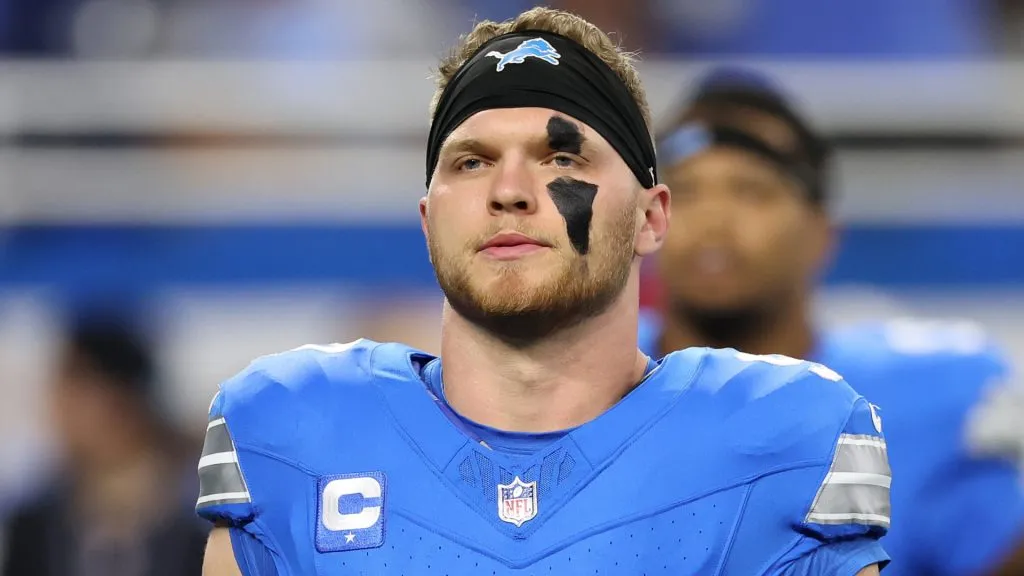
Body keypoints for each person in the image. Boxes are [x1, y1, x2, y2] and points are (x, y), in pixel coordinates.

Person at [197, 8, 889, 575]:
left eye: (562, 157)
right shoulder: (292, 435)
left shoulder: (780, 440)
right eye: (471, 162)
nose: (508, 192)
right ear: (429, 218)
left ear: (652, 218)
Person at [645, 66, 1024, 576]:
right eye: (687, 192)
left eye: (751, 191)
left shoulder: (927, 396)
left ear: (822, 235)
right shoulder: (583, 380)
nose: (714, 219)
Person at [1, 313, 207, 576]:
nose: (57, 411)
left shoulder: (198, 518)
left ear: (121, 398)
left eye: (74, 393)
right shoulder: (34, 525)